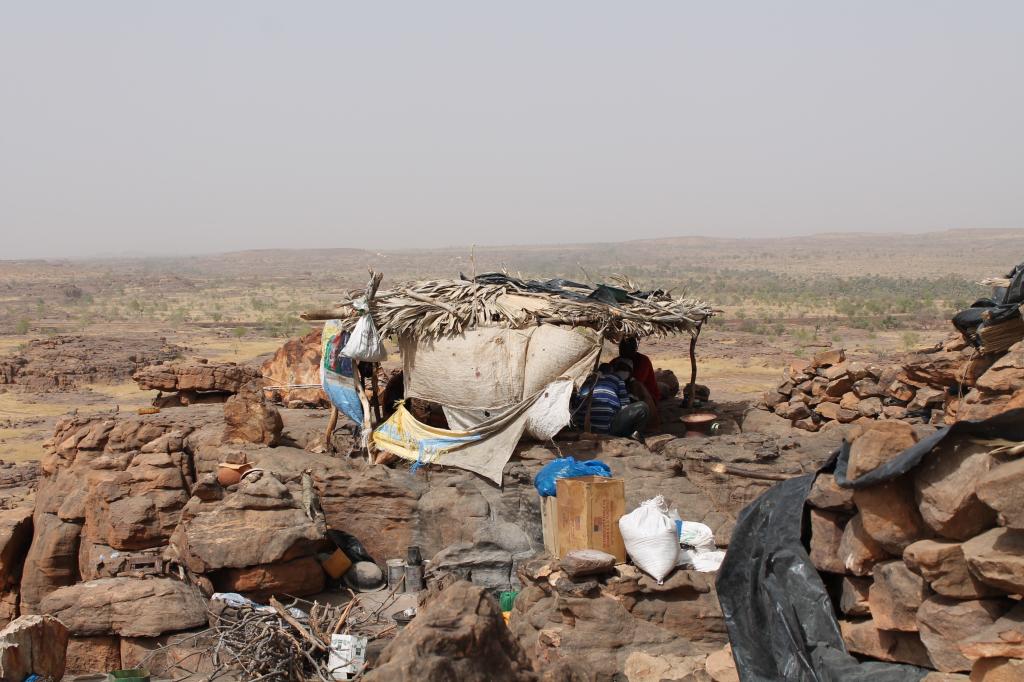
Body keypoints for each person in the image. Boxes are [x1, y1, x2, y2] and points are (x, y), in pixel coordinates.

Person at [577, 359, 649, 439]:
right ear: (612, 371)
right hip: (607, 429)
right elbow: (625, 405)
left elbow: (577, 404)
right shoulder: (616, 378)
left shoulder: (585, 381)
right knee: (643, 407)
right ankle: (634, 435)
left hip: (583, 428)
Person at [618, 337, 661, 402]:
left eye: (629, 349)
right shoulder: (616, 361)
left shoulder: (643, 360)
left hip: (646, 396)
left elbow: (637, 382)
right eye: (622, 348)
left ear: (635, 349)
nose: (625, 351)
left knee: (636, 384)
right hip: (622, 395)